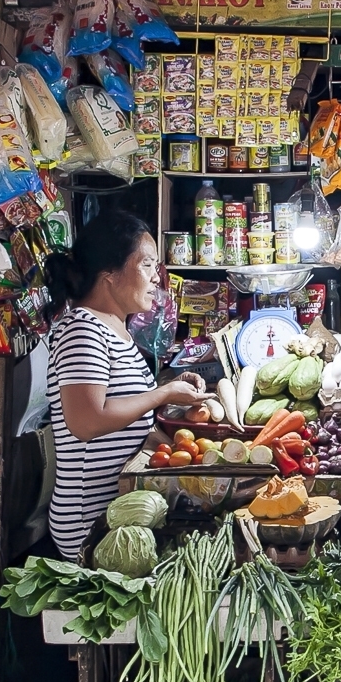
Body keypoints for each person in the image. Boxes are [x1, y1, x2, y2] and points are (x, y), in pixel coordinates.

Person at [43, 210, 206, 562]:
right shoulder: (83, 329)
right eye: (147, 265)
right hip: (91, 520)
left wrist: (187, 458)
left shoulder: (117, 329)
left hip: (121, 510)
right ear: (109, 274)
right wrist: (163, 394)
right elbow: (86, 422)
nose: (156, 279)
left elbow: (128, 422)